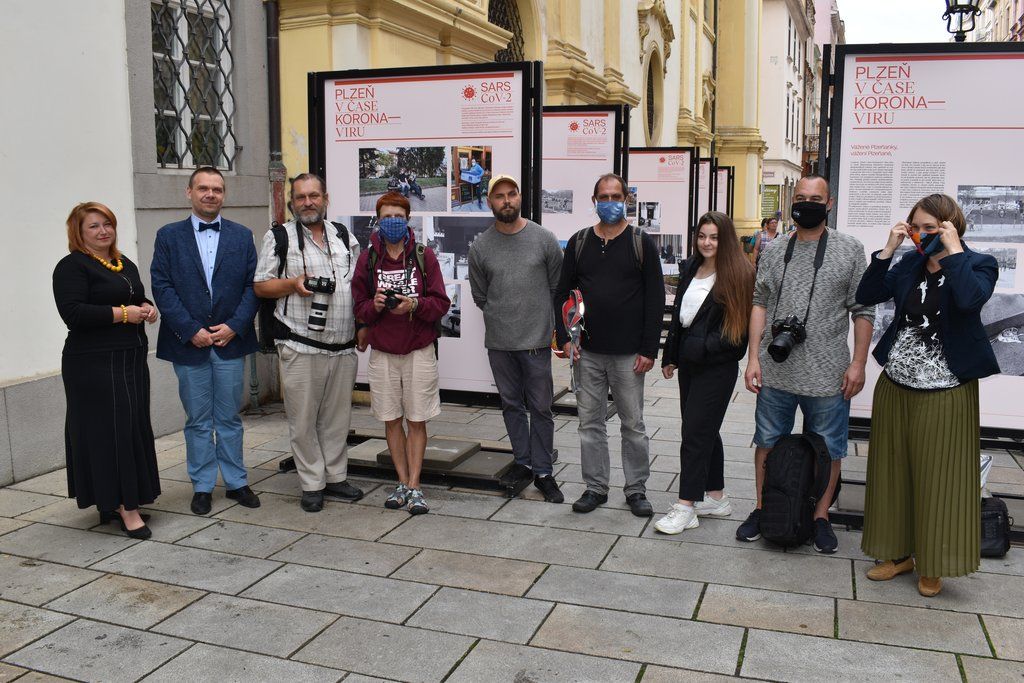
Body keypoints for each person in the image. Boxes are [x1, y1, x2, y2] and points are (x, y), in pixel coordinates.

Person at [856, 194, 999, 597]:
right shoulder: (908, 264)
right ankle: (897, 553)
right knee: (892, 471)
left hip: (946, 389)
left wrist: (953, 252)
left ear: (951, 226)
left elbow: (971, 301)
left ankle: (933, 562)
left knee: (940, 477)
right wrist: (888, 250)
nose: (921, 234)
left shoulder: (978, 264)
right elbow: (868, 293)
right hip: (897, 383)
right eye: (916, 226)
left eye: (930, 228)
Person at [740, 174, 874, 553]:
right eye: (801, 197)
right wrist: (753, 358)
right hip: (776, 367)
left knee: (830, 447)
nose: (807, 203)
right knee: (766, 441)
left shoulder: (850, 250)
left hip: (829, 372)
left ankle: (820, 516)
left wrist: (858, 364)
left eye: (815, 198)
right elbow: (759, 303)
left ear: (829, 203)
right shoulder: (775, 246)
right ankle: (764, 508)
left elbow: (863, 310)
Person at [151, 167, 261, 516]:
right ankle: (201, 485)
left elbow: (252, 286)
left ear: (223, 194)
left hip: (229, 340)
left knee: (229, 417)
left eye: (217, 189)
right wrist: (189, 328)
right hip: (189, 343)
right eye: (203, 188)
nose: (210, 194)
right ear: (189, 192)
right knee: (198, 419)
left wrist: (234, 326)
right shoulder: (168, 236)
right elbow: (161, 286)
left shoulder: (242, 236)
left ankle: (236, 481)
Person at [554, 173, 664, 516]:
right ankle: (596, 487)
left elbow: (655, 298)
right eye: (604, 196)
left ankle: (636, 489)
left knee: (633, 423)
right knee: (590, 423)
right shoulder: (580, 241)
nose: (610, 202)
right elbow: (562, 293)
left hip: (630, 353)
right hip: (586, 351)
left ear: (626, 200)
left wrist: (649, 349)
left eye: (616, 196)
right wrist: (564, 339)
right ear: (594, 200)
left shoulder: (640, 242)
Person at [253, 174, 364, 513]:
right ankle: (311, 483)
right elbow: (261, 286)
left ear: (325, 198)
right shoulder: (279, 237)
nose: (307, 202)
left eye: (313, 196)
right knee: (302, 420)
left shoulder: (343, 236)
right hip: (300, 343)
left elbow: (357, 283)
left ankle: (336, 476)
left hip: (343, 344)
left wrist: (362, 326)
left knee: (336, 418)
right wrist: (294, 283)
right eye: (300, 197)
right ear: (292, 201)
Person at [53, 202, 161, 539]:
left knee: (130, 428)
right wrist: (124, 314)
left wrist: (147, 308)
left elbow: (138, 297)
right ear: (79, 233)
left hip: (130, 358)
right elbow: (74, 313)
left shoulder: (122, 262)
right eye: (94, 226)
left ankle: (117, 499)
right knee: (109, 432)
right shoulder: (71, 267)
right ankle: (126, 510)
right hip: (93, 363)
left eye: (108, 224)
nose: (104, 231)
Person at [352, 191, 450, 514]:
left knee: (417, 418)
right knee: (391, 419)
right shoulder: (368, 260)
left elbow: (441, 304)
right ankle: (401, 481)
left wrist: (415, 304)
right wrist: (375, 305)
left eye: (398, 216)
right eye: (386, 217)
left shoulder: (424, 256)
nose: (392, 222)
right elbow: (359, 306)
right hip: (382, 353)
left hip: (418, 351)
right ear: (377, 221)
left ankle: (415, 486)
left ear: (408, 219)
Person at [655, 212, 754, 534]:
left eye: (713, 237)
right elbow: (681, 318)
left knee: (695, 434)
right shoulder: (692, 268)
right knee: (703, 430)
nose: (707, 242)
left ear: (724, 239)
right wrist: (671, 355)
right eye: (702, 236)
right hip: (690, 365)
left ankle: (686, 506)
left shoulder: (738, 273)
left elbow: (736, 335)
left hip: (717, 368)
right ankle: (716, 497)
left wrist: (697, 349)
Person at [469, 174, 564, 501]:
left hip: (536, 342)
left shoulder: (543, 239)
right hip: (500, 343)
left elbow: (557, 287)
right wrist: (502, 316)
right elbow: (480, 295)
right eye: (499, 196)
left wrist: (545, 323)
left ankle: (544, 471)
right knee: (511, 404)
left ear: (519, 197)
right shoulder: (481, 246)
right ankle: (523, 463)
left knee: (540, 407)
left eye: (511, 194)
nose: (506, 200)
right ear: (489, 201)